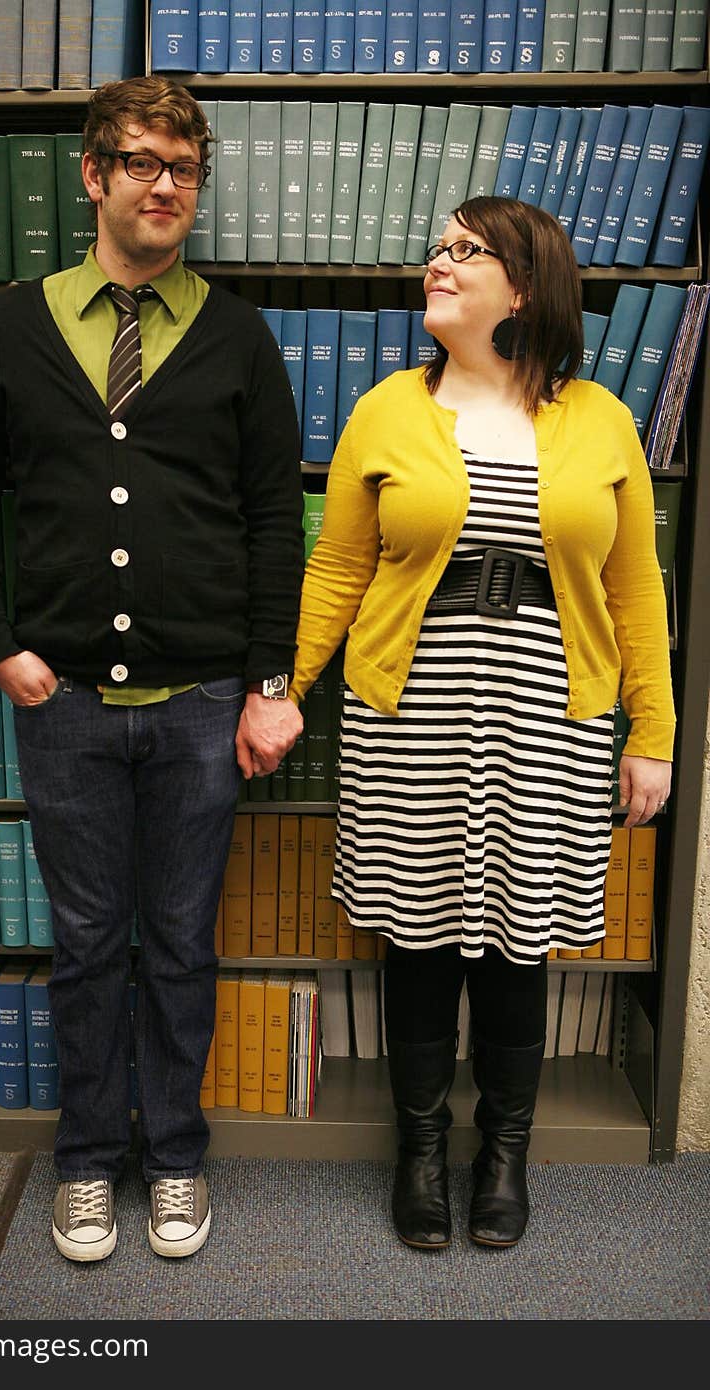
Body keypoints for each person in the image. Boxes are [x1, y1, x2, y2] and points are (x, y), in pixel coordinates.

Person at [0, 76, 304, 1263]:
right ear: (92, 177)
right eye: (141, 163)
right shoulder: (14, 324)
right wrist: (0, 648)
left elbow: (267, 520)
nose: (164, 187)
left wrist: (265, 679)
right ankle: (90, 1160)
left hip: (204, 704)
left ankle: (178, 1157)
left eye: (183, 170)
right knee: (89, 940)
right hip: (65, 707)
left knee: (184, 938)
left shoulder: (238, 333)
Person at [277, 196, 674, 1249]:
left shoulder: (601, 420)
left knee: (516, 945)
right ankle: (418, 1151)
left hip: (550, 710)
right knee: (418, 940)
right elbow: (339, 568)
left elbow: (636, 590)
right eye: (436, 247)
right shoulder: (383, 412)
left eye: (465, 249)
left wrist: (654, 734)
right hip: (409, 706)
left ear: (525, 285)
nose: (435, 263)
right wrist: (284, 689)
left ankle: (504, 1154)